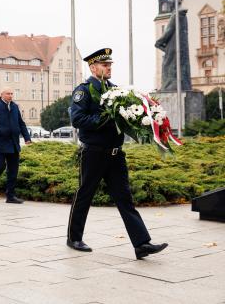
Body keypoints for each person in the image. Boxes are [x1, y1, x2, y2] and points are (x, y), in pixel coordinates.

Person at [67, 48, 168, 259]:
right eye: (105, 65)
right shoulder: (83, 91)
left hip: (115, 154)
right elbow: (77, 120)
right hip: (93, 153)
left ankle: (142, 244)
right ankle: (74, 238)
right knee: (85, 195)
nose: (109, 68)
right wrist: (105, 118)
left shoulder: (117, 92)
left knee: (125, 199)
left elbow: (126, 118)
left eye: (110, 65)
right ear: (93, 67)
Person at [0, 87, 32, 203]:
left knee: (13, 170)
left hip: (13, 143)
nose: (10, 96)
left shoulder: (15, 107)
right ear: (1, 94)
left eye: (11, 94)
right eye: (8, 93)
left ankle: (10, 196)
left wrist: (27, 137)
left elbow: (21, 123)